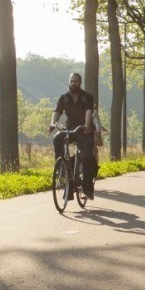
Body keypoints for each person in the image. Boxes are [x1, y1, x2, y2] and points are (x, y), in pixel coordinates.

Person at [49, 72, 97, 200]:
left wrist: (87, 125)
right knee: (57, 139)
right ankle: (63, 167)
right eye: (71, 81)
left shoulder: (87, 97)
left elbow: (88, 111)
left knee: (87, 156)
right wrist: (52, 123)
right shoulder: (64, 97)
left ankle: (87, 188)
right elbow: (57, 111)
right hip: (70, 129)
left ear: (80, 83)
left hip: (83, 130)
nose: (73, 83)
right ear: (68, 82)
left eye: (76, 81)